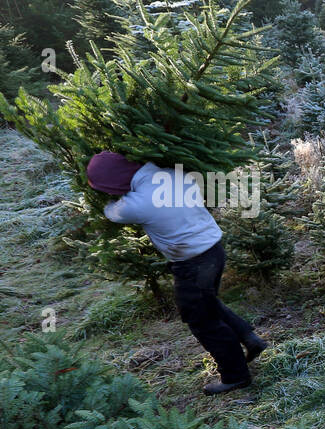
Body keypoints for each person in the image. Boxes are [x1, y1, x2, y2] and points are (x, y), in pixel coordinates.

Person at [85, 151, 268, 395]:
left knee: (201, 320)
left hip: (193, 263)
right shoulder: (173, 174)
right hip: (213, 250)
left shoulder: (137, 204)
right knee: (206, 302)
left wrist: (108, 201)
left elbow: (112, 212)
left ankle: (236, 376)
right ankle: (248, 337)